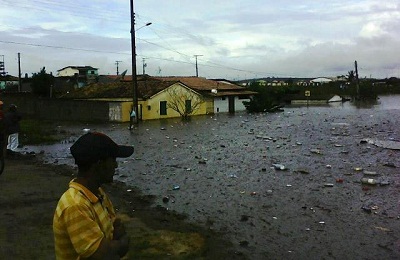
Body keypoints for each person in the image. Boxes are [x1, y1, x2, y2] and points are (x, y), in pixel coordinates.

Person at [53, 132, 134, 259]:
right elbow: (104, 255)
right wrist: (122, 243)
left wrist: (114, 244)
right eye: (112, 160)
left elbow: (116, 228)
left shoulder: (97, 193)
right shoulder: (76, 206)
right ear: (99, 164)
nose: (116, 165)